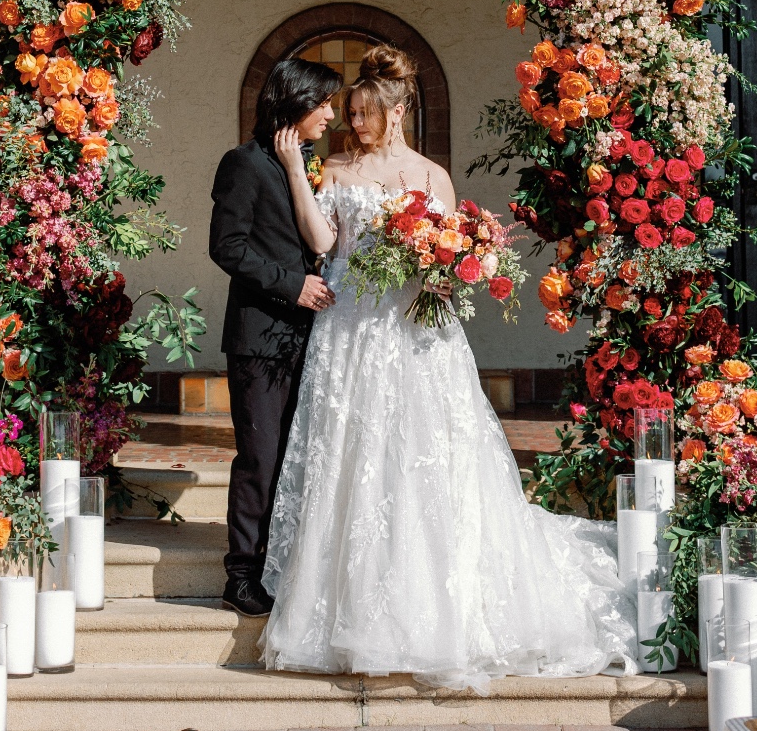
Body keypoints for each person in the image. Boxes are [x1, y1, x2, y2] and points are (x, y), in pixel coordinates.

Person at [260, 43, 637, 690]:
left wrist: (444, 277)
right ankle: (344, 608)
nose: (354, 123)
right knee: (351, 458)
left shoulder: (431, 177)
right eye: (350, 112)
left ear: (395, 110)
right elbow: (324, 244)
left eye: (363, 112)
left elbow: (452, 258)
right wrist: (296, 169)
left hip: (411, 331)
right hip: (349, 330)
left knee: (421, 456)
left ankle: (431, 609)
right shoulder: (338, 168)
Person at [209, 53, 343, 618]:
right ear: (295, 102)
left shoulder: (307, 164)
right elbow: (228, 247)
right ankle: (240, 574)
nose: (331, 115)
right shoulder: (242, 164)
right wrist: (294, 286)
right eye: (323, 103)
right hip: (260, 338)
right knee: (260, 458)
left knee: (297, 458)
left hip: (312, 337)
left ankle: (283, 565)